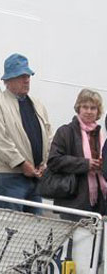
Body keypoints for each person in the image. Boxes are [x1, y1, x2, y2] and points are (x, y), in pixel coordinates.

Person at [0, 53, 52, 214]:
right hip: (10, 178)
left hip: (36, 177)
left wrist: (45, 163)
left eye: (28, 76)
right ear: (8, 81)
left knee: (35, 227)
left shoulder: (37, 104)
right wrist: (22, 163)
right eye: (21, 76)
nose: (27, 80)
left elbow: (49, 135)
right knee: (12, 228)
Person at [48, 89, 106, 221]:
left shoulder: (101, 134)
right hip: (73, 201)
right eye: (85, 107)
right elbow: (54, 161)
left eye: (93, 108)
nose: (89, 111)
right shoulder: (65, 132)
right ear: (78, 108)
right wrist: (86, 164)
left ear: (98, 111)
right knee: (73, 241)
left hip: (99, 202)